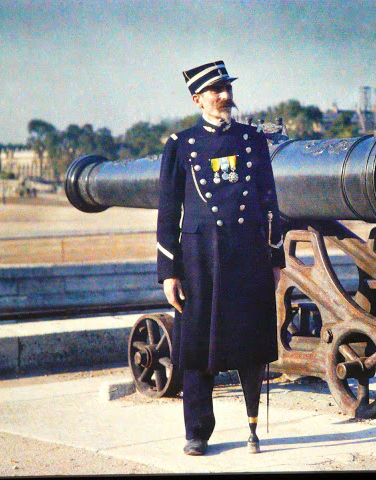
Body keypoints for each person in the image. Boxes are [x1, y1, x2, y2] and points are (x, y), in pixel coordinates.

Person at [156, 60, 285, 456]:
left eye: (227, 88)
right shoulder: (180, 144)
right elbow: (167, 210)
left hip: (247, 254)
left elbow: (269, 202)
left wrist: (275, 257)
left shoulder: (253, 141)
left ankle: (251, 424)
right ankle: (197, 431)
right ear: (198, 100)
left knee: (250, 340)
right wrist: (168, 272)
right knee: (196, 345)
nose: (225, 96)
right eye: (216, 91)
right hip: (198, 258)